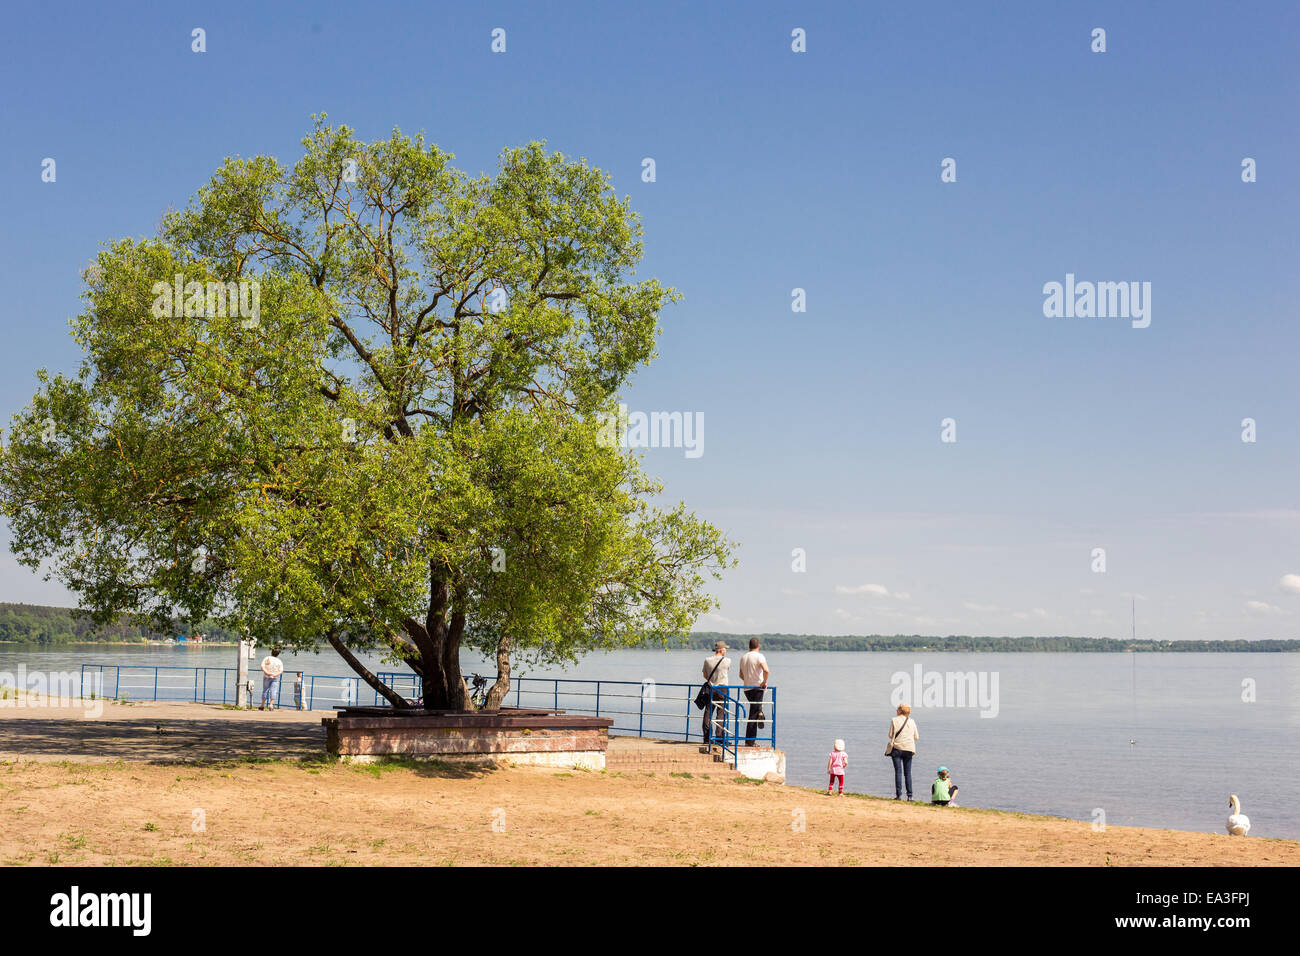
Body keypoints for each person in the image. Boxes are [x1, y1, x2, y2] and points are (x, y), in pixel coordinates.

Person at [738, 638, 770, 746]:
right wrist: (764, 682)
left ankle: (760, 711)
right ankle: (750, 742)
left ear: (749, 646)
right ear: (759, 646)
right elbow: (766, 670)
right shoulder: (759, 656)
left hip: (747, 689)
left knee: (754, 711)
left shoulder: (743, 657)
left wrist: (748, 680)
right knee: (753, 715)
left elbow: (740, 675)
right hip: (757, 688)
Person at [699, 640, 731, 750]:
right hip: (722, 688)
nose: (726, 650)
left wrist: (712, 680)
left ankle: (707, 738)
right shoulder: (727, 661)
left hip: (711, 688)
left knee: (708, 712)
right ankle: (719, 737)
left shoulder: (707, 660)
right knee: (721, 713)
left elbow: (705, 675)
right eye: (725, 649)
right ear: (721, 650)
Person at [886, 703, 918, 800]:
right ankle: (910, 796)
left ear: (900, 711)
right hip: (909, 749)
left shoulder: (894, 720)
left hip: (897, 748)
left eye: (897, 709)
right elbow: (916, 737)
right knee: (908, 773)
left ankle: (898, 795)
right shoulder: (912, 721)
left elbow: (890, 735)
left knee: (898, 772)